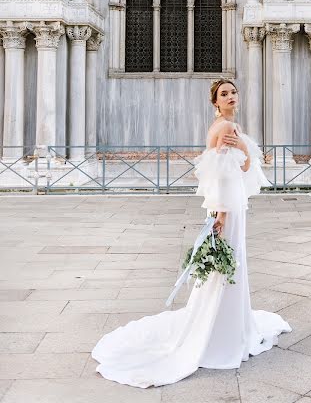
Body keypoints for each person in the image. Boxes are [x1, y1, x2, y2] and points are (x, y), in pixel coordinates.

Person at [91, 78, 292, 388]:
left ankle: (228, 325)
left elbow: (242, 166)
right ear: (215, 102)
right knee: (227, 266)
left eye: (233, 92)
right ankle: (219, 332)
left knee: (231, 266)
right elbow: (219, 174)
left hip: (232, 206)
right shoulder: (223, 128)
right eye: (224, 94)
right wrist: (221, 215)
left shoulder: (230, 126)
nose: (231, 96)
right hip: (227, 208)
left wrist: (242, 149)